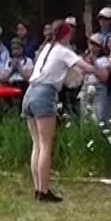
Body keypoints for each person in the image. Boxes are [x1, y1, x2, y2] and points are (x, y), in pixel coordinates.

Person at [25, 22, 79, 201]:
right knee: (46, 144)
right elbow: (84, 67)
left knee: (36, 143)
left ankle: (37, 188)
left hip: (30, 92)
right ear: (65, 34)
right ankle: (44, 190)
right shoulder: (63, 50)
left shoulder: (45, 48)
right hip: (45, 93)